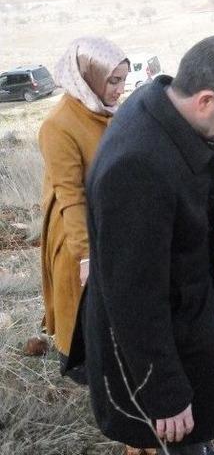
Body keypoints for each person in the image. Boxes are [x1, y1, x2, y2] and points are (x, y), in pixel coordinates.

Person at [76, 35, 214, 454]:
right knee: (178, 435)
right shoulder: (138, 166)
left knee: (194, 434)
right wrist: (164, 392)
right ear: (206, 100)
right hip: (157, 346)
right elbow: (132, 296)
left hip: (183, 319)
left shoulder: (160, 108)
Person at [34, 36, 128, 384]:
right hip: (77, 235)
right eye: (113, 80)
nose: (120, 89)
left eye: (122, 80)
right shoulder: (58, 125)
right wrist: (86, 257)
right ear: (89, 75)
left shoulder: (106, 112)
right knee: (83, 317)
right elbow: (70, 195)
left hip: (108, 225)